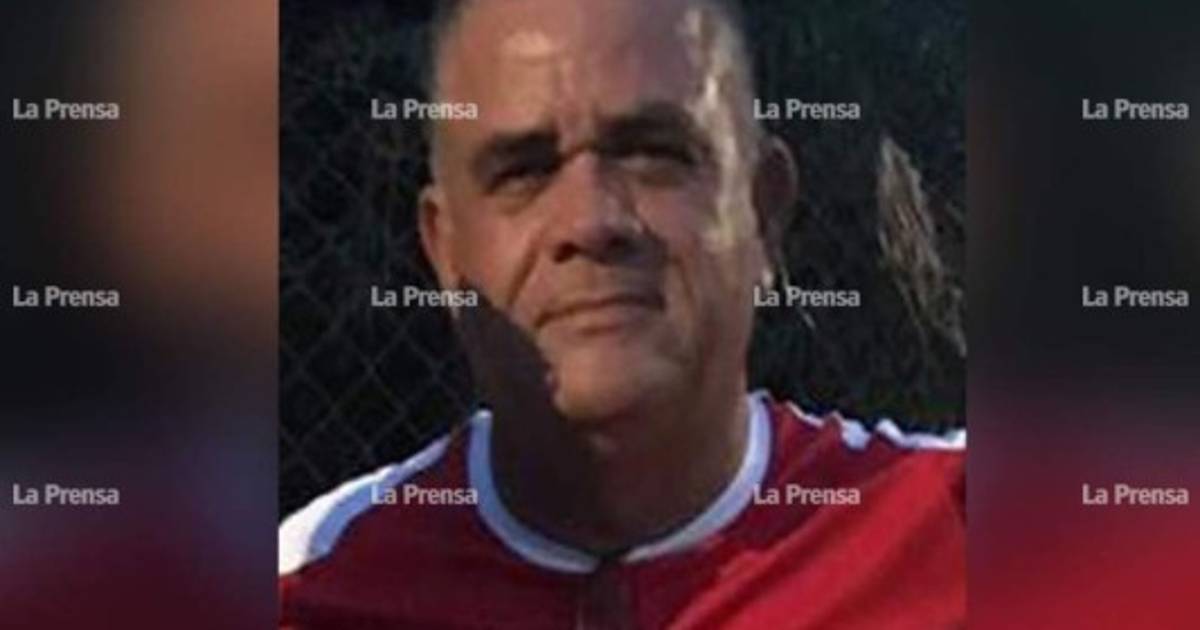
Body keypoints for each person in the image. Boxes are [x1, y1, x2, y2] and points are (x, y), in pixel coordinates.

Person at [280, 0, 964, 627]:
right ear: (446, 252)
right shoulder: (308, 586)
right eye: (523, 171)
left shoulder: (961, 530)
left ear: (763, 214)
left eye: (653, 154)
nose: (592, 220)